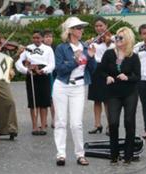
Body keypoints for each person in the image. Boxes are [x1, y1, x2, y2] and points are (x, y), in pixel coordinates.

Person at [53, 17, 96, 166]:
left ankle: (80, 154)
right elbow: (59, 69)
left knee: (76, 124)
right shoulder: (61, 48)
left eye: (81, 28)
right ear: (70, 31)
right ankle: (61, 154)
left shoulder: (85, 47)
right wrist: (75, 61)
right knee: (60, 122)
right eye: (78, 28)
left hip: (78, 87)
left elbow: (92, 70)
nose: (81, 30)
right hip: (61, 87)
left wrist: (90, 57)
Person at [100, 26, 140, 165]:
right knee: (113, 123)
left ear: (128, 39)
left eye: (120, 37)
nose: (117, 39)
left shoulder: (133, 56)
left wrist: (127, 77)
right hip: (113, 93)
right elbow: (101, 71)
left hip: (130, 92)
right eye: (116, 37)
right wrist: (107, 77)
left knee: (129, 122)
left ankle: (128, 155)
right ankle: (114, 154)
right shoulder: (109, 54)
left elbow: (138, 76)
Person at [15, 30, 55, 136]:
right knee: (33, 102)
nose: (36, 40)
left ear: (42, 38)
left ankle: (43, 125)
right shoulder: (27, 48)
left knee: (44, 102)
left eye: (38, 38)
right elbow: (18, 62)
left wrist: (44, 70)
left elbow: (52, 64)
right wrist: (26, 70)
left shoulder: (48, 49)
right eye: (34, 38)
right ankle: (34, 126)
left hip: (43, 74)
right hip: (31, 74)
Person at [87, 16, 114, 135]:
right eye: (97, 26)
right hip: (95, 69)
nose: (99, 28)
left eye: (101, 25)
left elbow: (114, 50)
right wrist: (88, 44)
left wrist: (108, 41)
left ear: (106, 26)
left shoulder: (111, 38)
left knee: (107, 99)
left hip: (106, 69)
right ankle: (97, 124)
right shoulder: (94, 39)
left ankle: (110, 125)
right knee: (96, 99)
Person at [43, 29, 56, 128]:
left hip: (54, 75)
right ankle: (44, 120)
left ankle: (54, 119)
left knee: (53, 98)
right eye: (46, 37)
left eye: (50, 37)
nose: (49, 39)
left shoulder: (55, 48)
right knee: (44, 97)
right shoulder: (41, 49)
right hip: (43, 74)